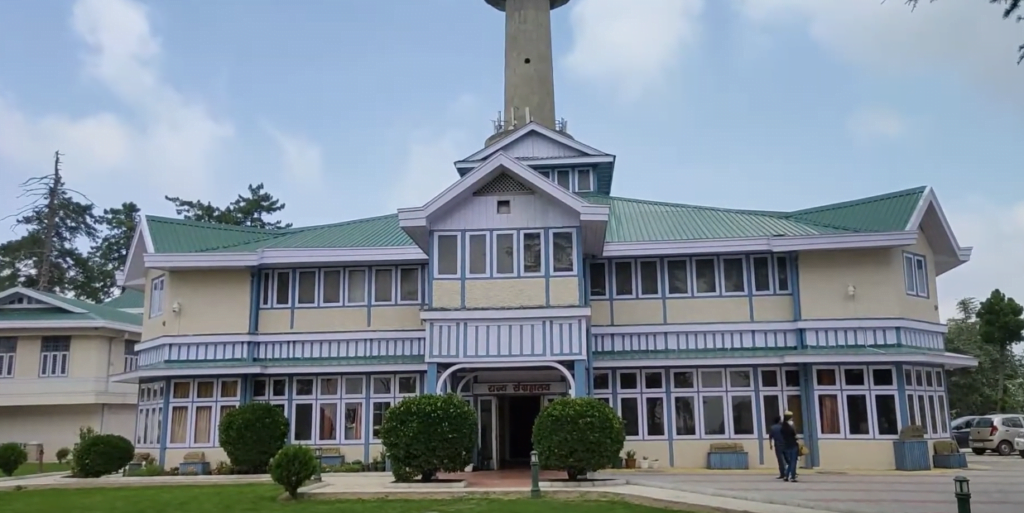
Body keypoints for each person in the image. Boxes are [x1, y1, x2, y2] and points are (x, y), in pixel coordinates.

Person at [780, 411, 799, 482]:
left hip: (786, 445)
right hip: (793, 445)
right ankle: (792, 476)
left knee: (790, 462)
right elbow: (795, 435)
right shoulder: (791, 425)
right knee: (793, 461)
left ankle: (786, 475)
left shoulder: (782, 426)